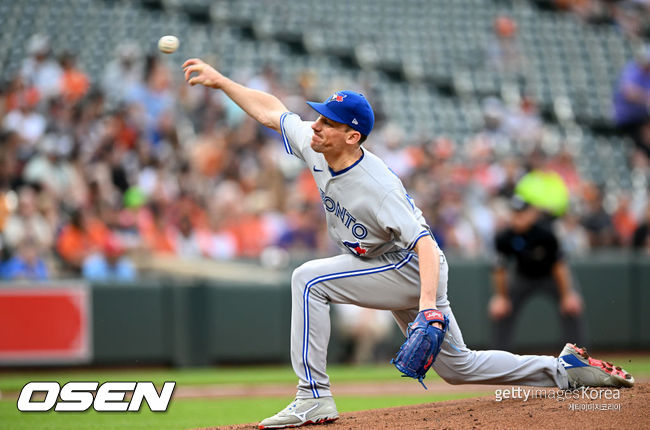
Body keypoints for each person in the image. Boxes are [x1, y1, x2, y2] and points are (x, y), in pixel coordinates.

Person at [182, 58, 635, 429]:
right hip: (383, 263)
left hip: (412, 267)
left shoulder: (377, 185)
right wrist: (222, 82)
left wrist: (427, 307)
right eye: (318, 117)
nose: (315, 125)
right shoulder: (317, 146)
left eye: (327, 121)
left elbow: (426, 243)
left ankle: (312, 398)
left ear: (352, 136)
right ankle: (562, 371)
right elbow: (270, 110)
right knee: (459, 368)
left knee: (307, 280)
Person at [489, 196, 587, 351]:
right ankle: (498, 358)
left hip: (551, 276)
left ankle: (580, 358)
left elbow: (559, 266)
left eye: (521, 214)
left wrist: (567, 294)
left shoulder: (545, 233)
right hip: (523, 277)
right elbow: (500, 269)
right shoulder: (504, 237)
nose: (517, 218)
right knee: (502, 311)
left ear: (532, 214)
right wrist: (501, 297)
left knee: (571, 307)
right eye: (514, 214)